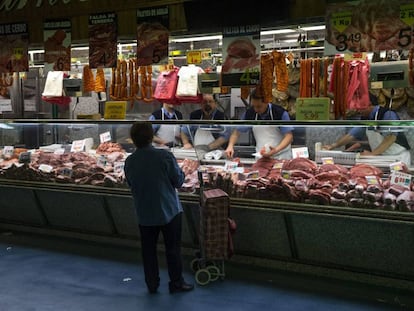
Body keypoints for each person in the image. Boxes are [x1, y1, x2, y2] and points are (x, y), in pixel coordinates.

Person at [124, 121, 194, 294]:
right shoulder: (164, 156)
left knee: (148, 251)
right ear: (151, 137)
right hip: (168, 211)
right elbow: (178, 181)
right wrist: (185, 171)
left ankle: (152, 284)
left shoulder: (130, 161)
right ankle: (176, 283)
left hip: (144, 212)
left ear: (133, 139)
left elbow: (131, 184)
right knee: (172, 249)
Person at [322, 94, 411, 165]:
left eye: (360, 105)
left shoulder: (388, 114)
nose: (357, 108)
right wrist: (333, 145)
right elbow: (351, 135)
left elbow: (391, 138)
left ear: (369, 104)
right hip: (381, 158)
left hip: (398, 158)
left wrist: (372, 154)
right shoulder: (366, 118)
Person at [225, 87, 294, 159]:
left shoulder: (279, 113)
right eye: (254, 106)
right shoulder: (250, 113)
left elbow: (289, 137)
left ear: (267, 101)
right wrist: (230, 146)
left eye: (259, 106)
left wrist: (275, 150)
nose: (256, 109)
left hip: (281, 156)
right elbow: (236, 132)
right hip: (261, 156)